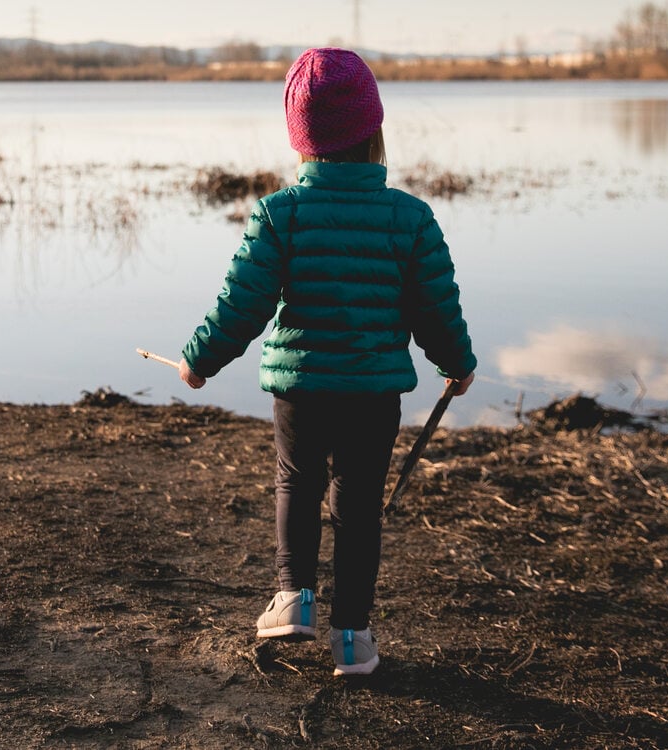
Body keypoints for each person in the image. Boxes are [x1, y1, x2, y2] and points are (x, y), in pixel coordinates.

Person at [177, 47, 476, 676]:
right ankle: (353, 640)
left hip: (301, 387)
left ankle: (293, 599)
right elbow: (434, 305)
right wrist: (457, 361)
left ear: (301, 137)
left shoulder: (279, 214)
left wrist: (200, 360)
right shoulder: (410, 217)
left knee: (297, 480)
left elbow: (242, 301)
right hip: (373, 393)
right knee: (359, 505)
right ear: (374, 131)